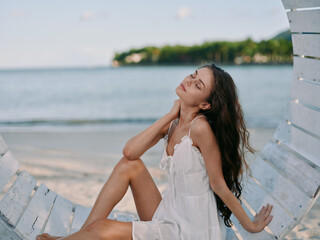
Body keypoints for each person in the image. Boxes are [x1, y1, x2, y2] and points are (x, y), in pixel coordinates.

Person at [36, 62, 273, 240]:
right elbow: (130, 152)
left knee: (102, 229)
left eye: (198, 84)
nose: (189, 81)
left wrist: (250, 226)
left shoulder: (201, 129)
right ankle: (77, 236)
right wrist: (170, 115)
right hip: (170, 212)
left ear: (205, 104)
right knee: (129, 166)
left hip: (191, 229)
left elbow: (219, 185)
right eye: (193, 75)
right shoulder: (174, 124)